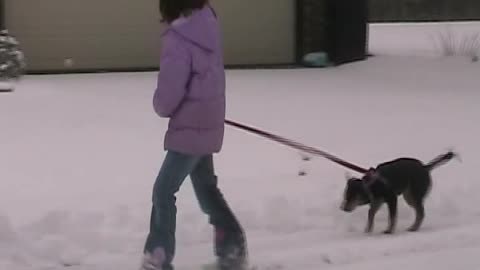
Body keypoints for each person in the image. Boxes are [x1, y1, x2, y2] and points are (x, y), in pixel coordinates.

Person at [140, 1, 248, 270]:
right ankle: (232, 245)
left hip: (190, 129)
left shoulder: (179, 40)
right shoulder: (206, 27)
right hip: (206, 124)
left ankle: (158, 255)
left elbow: (168, 97)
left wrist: (159, 103)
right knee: (206, 188)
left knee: (163, 191)